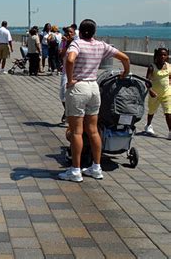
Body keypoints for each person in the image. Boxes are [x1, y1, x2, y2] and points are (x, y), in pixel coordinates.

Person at [58, 19, 130, 182]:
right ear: (94, 31)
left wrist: (70, 80)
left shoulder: (77, 44)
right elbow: (124, 58)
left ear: (80, 32)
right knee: (93, 130)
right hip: (93, 88)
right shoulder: (101, 45)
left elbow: (70, 60)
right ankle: (96, 168)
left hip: (79, 88)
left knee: (76, 131)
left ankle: (75, 170)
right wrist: (126, 72)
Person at [143, 47, 171, 139]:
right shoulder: (152, 67)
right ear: (156, 56)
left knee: (168, 112)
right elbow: (147, 81)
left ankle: (170, 131)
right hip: (154, 93)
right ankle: (148, 125)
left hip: (167, 93)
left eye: (164, 55)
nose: (162, 56)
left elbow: (170, 77)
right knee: (151, 111)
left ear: (167, 56)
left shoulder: (169, 66)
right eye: (160, 55)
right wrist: (150, 91)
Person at [58, 26, 75, 124]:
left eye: (71, 32)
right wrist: (66, 44)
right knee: (62, 94)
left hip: (76, 72)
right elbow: (61, 55)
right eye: (67, 32)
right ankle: (67, 111)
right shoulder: (64, 42)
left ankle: (69, 113)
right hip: (65, 71)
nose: (68, 34)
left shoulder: (77, 43)